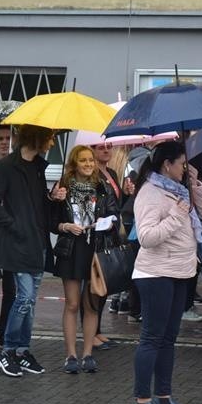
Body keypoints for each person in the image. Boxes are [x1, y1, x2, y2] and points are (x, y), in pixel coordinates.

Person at [131, 141, 202, 404]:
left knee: (168, 338)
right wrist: (177, 215)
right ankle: (142, 401)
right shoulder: (150, 193)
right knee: (152, 338)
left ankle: (163, 397)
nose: (184, 168)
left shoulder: (179, 189)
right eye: (182, 164)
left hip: (181, 272)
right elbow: (147, 237)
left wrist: (195, 181)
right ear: (167, 164)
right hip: (156, 274)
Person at [0, 124, 66, 377]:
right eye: (50, 139)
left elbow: (39, 206)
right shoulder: (6, 166)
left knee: (29, 303)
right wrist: (14, 225)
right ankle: (8, 350)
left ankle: (22, 350)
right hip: (18, 244)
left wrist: (53, 198)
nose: (52, 144)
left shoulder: (38, 168)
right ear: (37, 138)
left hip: (38, 243)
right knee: (25, 299)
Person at [52, 145, 118, 374]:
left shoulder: (102, 186)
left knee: (91, 305)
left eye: (91, 160)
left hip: (95, 249)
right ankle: (70, 355)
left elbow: (114, 216)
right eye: (83, 160)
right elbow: (49, 222)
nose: (89, 164)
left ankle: (87, 354)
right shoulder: (62, 187)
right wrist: (65, 224)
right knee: (72, 304)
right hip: (71, 249)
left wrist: (104, 224)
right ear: (74, 163)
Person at [91, 142, 134, 349]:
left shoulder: (111, 173)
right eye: (100, 147)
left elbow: (115, 204)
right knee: (96, 286)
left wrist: (125, 192)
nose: (106, 150)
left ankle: (97, 330)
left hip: (111, 234)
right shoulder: (92, 176)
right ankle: (92, 332)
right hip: (98, 237)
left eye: (108, 147)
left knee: (105, 285)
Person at [0, 124, 17, 348]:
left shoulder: (16, 168)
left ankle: (5, 334)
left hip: (10, 236)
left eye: (8, 137)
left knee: (11, 289)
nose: (3, 142)